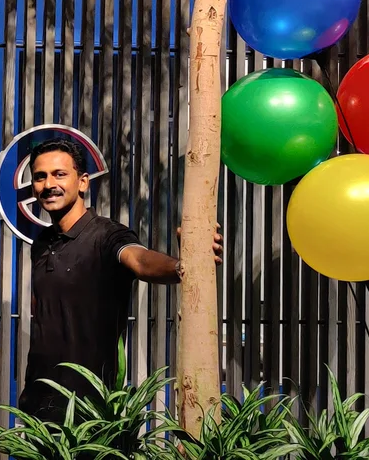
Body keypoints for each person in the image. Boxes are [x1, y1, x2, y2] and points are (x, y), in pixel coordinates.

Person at [16, 138, 223, 424]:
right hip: (39, 406)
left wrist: (184, 265)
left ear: (83, 182)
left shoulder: (106, 235)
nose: (49, 184)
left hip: (90, 413)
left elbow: (139, 260)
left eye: (59, 174)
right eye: (40, 177)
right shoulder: (41, 244)